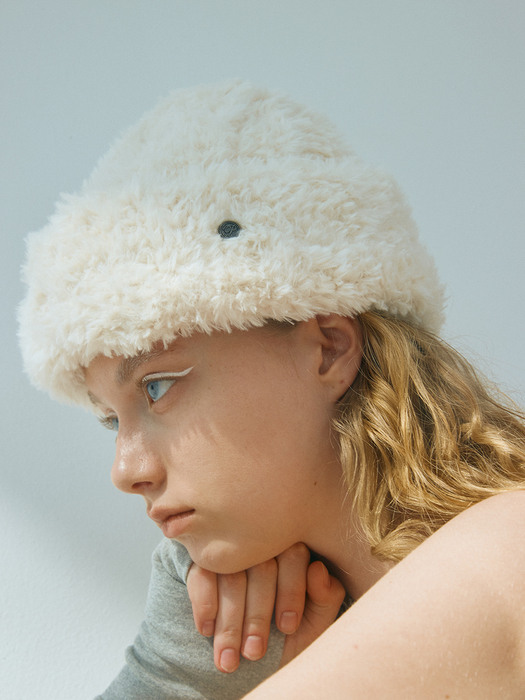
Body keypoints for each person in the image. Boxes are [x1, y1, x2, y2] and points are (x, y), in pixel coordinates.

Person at [18, 80, 525, 699]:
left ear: (329, 348)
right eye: (109, 419)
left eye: (157, 388)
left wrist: (166, 676)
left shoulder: (511, 543)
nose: (126, 471)